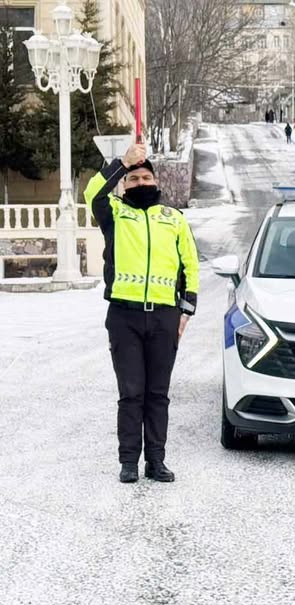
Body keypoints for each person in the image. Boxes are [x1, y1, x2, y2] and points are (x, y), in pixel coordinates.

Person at [84, 143, 200, 484]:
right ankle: (128, 462)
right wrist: (122, 162)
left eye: (146, 176)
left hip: (164, 317)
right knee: (131, 392)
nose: (139, 182)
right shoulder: (115, 215)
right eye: (133, 178)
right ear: (124, 185)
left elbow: (190, 265)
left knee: (157, 394)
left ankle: (157, 461)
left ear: (156, 181)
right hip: (124, 316)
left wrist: (186, 311)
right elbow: (93, 192)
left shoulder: (174, 219)